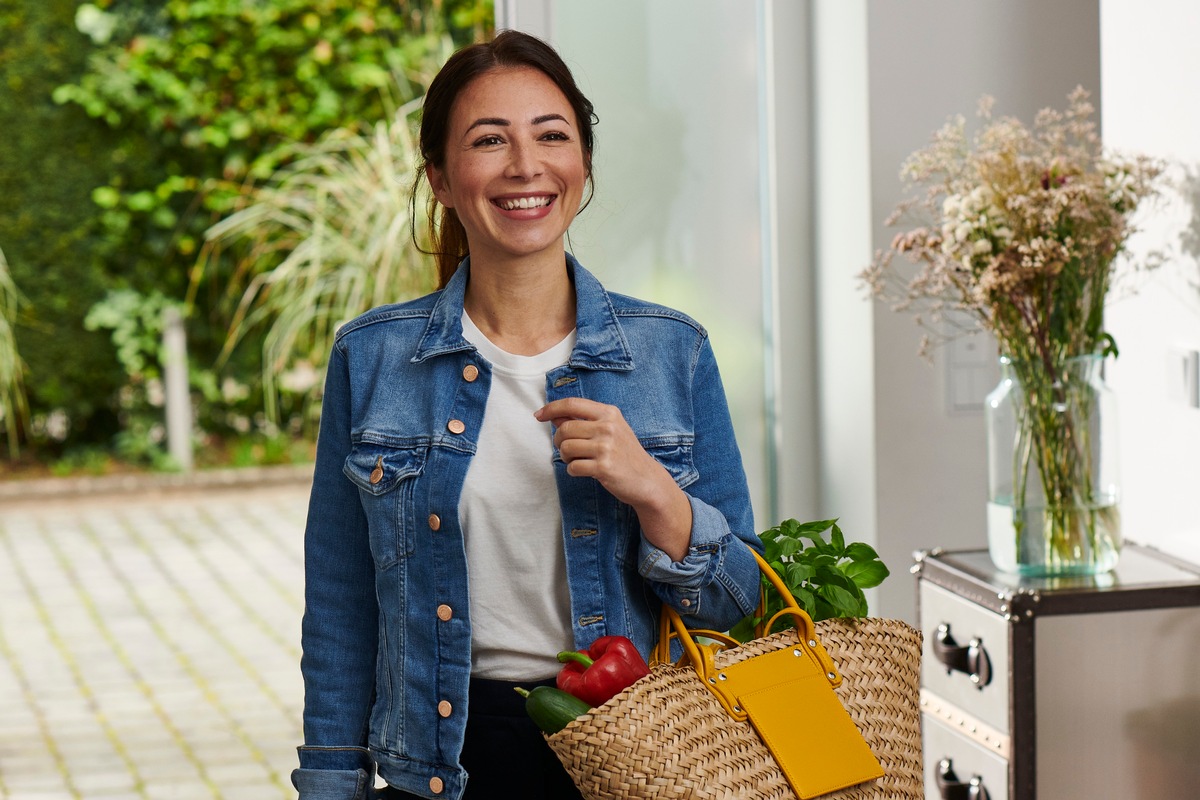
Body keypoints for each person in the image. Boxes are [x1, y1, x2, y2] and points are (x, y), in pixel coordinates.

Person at [291, 29, 763, 800]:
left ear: (582, 165)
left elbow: (741, 608)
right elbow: (341, 608)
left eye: (552, 135)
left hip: (630, 759)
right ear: (441, 177)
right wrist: (330, 783)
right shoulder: (372, 359)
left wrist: (655, 493)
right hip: (441, 766)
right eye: (489, 140)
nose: (525, 166)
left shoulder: (672, 353)